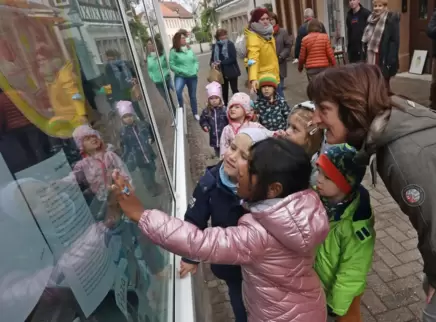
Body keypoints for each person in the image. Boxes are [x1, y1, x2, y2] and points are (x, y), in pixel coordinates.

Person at [308, 63, 436, 321]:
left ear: (353, 107)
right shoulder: (396, 118)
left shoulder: (404, 158)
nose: (315, 119)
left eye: (324, 109)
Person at [111, 138, 330, 322]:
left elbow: (200, 242)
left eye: (250, 166)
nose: (240, 169)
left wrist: (141, 215)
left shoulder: (260, 235)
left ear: (273, 189)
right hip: (306, 305)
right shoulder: (300, 209)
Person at [179, 128, 271, 322]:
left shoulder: (262, 190)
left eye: (243, 155)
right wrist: (190, 256)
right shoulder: (210, 183)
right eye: (232, 147)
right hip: (230, 265)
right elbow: (195, 220)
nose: (232, 156)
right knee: (238, 300)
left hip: (258, 267)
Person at [314, 144, 374, 322]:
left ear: (345, 183)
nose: (319, 180)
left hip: (340, 294)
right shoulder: (317, 198)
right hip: (318, 285)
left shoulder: (356, 225)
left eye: (328, 177)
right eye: (318, 172)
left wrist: (336, 306)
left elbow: (353, 270)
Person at [117, 101, 160, 196]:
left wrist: (150, 138)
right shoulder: (123, 133)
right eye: (125, 117)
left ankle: (154, 183)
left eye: (129, 116)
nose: (128, 119)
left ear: (133, 115)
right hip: (138, 157)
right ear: (122, 119)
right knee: (145, 175)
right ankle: (151, 189)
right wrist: (125, 157)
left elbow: (150, 133)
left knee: (153, 169)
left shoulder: (142, 125)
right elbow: (124, 146)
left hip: (148, 153)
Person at [361, 0, 400, 92]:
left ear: (385, 6)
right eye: (375, 6)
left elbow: (394, 41)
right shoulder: (370, 18)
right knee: (372, 80)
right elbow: (366, 38)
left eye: (380, 6)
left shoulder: (391, 19)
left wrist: (391, 59)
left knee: (384, 82)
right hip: (371, 54)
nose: (377, 8)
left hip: (383, 56)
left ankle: (385, 102)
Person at [244, 7, 279, 94]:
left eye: (267, 19)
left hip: (274, 74)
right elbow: (252, 59)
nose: (266, 21)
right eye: (262, 19)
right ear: (256, 21)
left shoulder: (268, 32)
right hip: (263, 79)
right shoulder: (253, 37)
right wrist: (253, 79)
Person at [219, 92, 266, 157]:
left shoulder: (254, 126)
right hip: (233, 160)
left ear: (245, 111)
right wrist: (223, 160)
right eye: (231, 107)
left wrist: (278, 133)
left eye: (237, 107)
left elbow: (267, 134)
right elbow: (223, 146)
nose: (232, 109)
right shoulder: (227, 129)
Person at [104, 49, 144, 120]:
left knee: (125, 110)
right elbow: (134, 74)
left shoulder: (108, 67)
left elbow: (107, 82)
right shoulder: (125, 63)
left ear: (107, 57)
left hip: (119, 92)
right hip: (130, 88)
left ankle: (133, 125)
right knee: (135, 107)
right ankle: (142, 121)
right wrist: (135, 83)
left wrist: (109, 96)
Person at [170, 30, 200, 120]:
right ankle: (181, 111)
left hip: (192, 76)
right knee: (178, 91)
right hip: (181, 76)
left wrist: (196, 68)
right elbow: (171, 65)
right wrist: (181, 71)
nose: (184, 40)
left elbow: (195, 60)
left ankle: (195, 113)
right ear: (177, 40)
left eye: (184, 38)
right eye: (182, 38)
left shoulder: (189, 49)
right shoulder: (173, 51)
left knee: (193, 95)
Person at [210, 29, 241, 104]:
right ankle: (226, 105)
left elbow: (233, 58)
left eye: (224, 35)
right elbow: (212, 59)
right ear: (218, 37)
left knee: (234, 89)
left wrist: (221, 63)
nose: (223, 37)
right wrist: (212, 63)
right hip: (221, 72)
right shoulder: (215, 46)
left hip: (231, 71)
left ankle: (238, 103)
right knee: (224, 91)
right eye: (221, 35)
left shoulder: (230, 44)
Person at [199, 82, 229, 157]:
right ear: (208, 100)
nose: (214, 100)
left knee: (227, 153)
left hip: (225, 138)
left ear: (220, 98)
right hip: (214, 138)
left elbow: (230, 120)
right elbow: (203, 120)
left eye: (216, 98)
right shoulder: (206, 111)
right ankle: (219, 161)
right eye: (211, 98)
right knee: (218, 154)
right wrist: (205, 125)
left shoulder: (225, 110)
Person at [270, 12, 293, 98]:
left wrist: (281, 56)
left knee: (279, 88)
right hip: (269, 66)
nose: (271, 21)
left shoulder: (282, 32)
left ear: (276, 20)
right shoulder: (264, 34)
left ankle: (282, 107)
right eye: (269, 20)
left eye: (272, 19)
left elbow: (288, 46)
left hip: (280, 63)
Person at [146, 37, 174, 108]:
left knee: (177, 91)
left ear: (156, 44)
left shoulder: (164, 53)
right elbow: (150, 70)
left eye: (150, 44)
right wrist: (152, 77)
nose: (149, 46)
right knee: (167, 99)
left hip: (167, 79)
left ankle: (182, 107)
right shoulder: (149, 57)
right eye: (148, 44)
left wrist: (167, 73)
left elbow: (170, 64)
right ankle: (174, 114)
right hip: (158, 83)